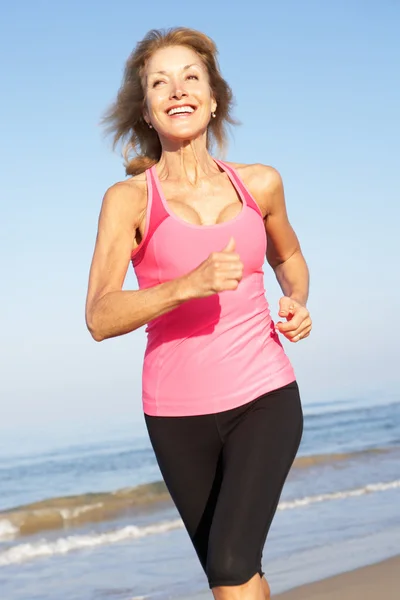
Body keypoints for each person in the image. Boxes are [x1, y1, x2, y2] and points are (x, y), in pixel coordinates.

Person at [85, 27, 311, 600]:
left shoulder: (260, 184)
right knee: (230, 575)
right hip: (175, 414)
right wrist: (186, 285)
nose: (177, 90)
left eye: (191, 78)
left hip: (264, 395)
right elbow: (100, 316)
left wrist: (297, 302)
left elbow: (290, 258)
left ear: (213, 99)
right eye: (160, 82)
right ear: (148, 110)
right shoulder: (128, 200)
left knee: (232, 561)